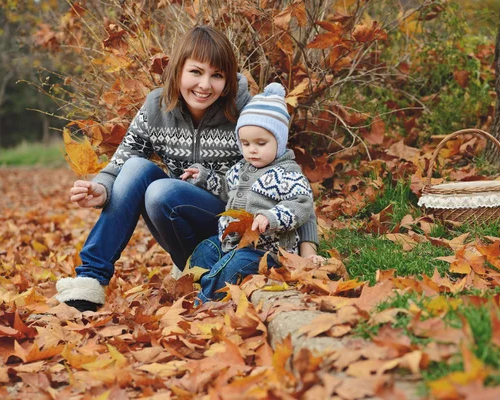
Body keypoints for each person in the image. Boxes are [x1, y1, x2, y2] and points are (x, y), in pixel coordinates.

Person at [55, 26, 320, 312]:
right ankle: (91, 280)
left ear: (228, 79)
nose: (205, 85)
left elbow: (292, 182)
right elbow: (124, 158)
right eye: (196, 72)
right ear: (178, 70)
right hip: (179, 221)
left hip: (234, 226)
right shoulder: (157, 107)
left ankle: (200, 269)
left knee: (160, 192)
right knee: (135, 168)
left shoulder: (246, 110)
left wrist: (309, 250)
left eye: (216, 75)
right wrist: (103, 187)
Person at [182, 83, 319, 302]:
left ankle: (203, 302)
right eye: (245, 143)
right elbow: (227, 189)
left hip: (267, 251)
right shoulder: (240, 168)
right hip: (230, 242)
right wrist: (204, 177)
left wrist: (272, 217)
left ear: (280, 141)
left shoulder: (287, 174)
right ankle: (199, 286)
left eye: (261, 143)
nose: (252, 149)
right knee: (204, 250)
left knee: (234, 264)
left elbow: (301, 204)